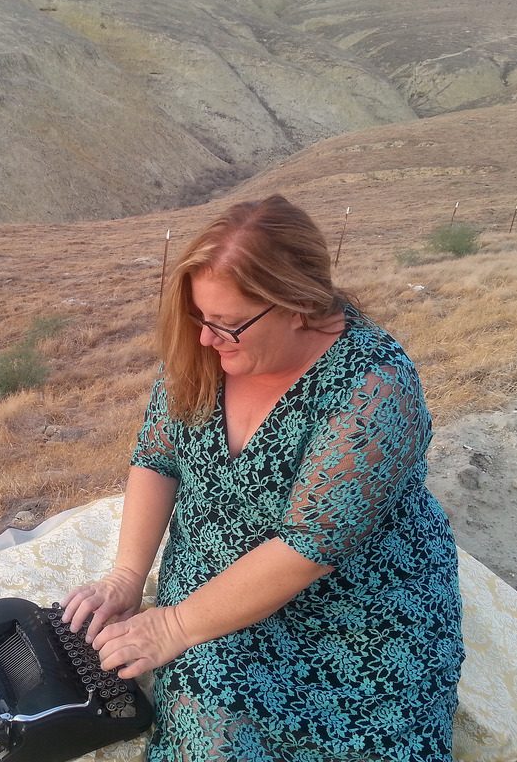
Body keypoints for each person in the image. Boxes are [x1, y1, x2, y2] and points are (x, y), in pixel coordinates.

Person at [61, 195, 464, 761]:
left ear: (297, 304)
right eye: (202, 318)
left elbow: (308, 548)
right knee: (211, 707)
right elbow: (157, 459)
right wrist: (128, 576)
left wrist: (172, 628)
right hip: (215, 579)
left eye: (226, 325)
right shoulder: (205, 351)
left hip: (346, 599)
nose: (205, 338)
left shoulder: (374, 388)